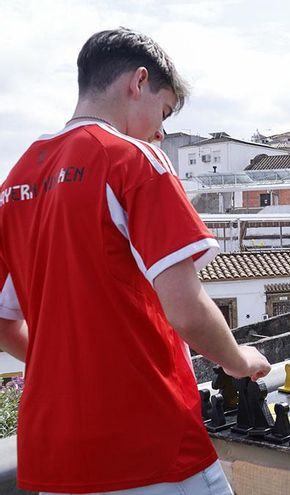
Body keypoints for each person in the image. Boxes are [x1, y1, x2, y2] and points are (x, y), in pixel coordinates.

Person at [0, 29, 271, 494]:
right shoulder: (134, 161)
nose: (161, 132)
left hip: (54, 456)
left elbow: (5, 325)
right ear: (138, 81)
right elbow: (185, 307)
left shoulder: (14, 184)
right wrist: (237, 359)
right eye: (163, 112)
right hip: (150, 445)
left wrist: (71, 364)